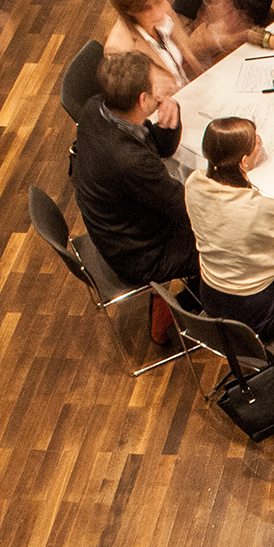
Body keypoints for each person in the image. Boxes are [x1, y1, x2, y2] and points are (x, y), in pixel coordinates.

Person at [71, 52, 198, 344]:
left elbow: (156, 148)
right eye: (154, 87)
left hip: (119, 226)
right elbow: (184, 207)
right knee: (222, 243)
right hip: (139, 253)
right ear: (142, 100)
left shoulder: (95, 108)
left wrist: (169, 123)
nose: (159, 92)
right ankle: (182, 309)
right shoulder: (129, 161)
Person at [184, 116, 274, 339]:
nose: (260, 141)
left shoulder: (194, 183)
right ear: (243, 161)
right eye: (255, 143)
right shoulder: (254, 209)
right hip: (257, 314)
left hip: (211, 294)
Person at [102, 0, 209, 98]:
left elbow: (190, 52)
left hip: (195, 90)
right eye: (147, 8)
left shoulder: (164, 9)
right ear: (130, 11)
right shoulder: (119, 50)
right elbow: (139, 102)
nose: (159, 11)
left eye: (158, 1)